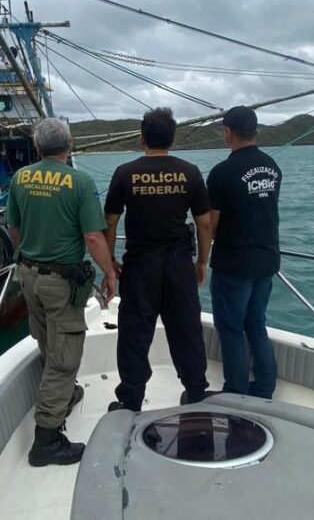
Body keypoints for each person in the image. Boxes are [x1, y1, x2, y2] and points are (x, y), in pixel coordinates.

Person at [6, 117, 117, 467]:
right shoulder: (80, 182)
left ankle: (65, 395)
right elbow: (93, 237)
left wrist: (25, 259)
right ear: (70, 145)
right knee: (64, 357)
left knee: (46, 342)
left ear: (37, 147)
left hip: (28, 274)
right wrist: (110, 272)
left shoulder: (20, 178)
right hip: (60, 281)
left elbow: (14, 228)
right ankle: (47, 441)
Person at [104, 107, 213, 412]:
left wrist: (110, 260)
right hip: (179, 263)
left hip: (140, 265)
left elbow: (110, 221)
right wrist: (202, 261)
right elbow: (204, 223)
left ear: (142, 138)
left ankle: (131, 399)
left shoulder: (125, 173)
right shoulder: (190, 172)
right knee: (187, 329)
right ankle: (194, 390)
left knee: (135, 333)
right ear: (172, 139)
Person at [207, 105, 282, 399]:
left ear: (228, 132)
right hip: (267, 260)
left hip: (235, 263)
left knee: (230, 329)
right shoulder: (272, 166)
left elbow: (211, 224)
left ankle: (236, 391)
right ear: (255, 131)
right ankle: (264, 388)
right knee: (256, 325)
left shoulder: (223, 172)